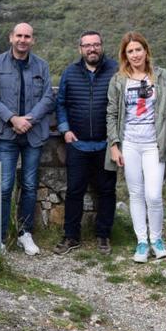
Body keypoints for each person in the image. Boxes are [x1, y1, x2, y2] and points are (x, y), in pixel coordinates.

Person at [0, 23, 55, 255]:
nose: (23, 40)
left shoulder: (41, 66)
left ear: (32, 40)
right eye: (19, 36)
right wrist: (13, 119)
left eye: (27, 36)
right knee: (5, 186)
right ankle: (0, 237)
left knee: (29, 185)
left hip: (33, 134)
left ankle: (25, 233)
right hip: (6, 134)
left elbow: (48, 97)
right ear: (11, 37)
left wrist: (29, 119)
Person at [105, 32, 166, 263]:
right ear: (125, 55)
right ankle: (142, 242)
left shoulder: (162, 76)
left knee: (153, 195)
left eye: (138, 49)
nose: (135, 55)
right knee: (136, 193)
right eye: (130, 51)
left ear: (146, 50)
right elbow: (112, 113)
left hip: (154, 143)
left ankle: (157, 239)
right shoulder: (118, 80)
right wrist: (114, 144)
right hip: (130, 143)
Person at [54, 31, 119, 256]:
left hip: (105, 144)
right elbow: (60, 103)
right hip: (78, 144)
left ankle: (104, 235)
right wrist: (65, 129)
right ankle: (71, 236)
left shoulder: (116, 70)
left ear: (102, 46)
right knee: (74, 191)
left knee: (107, 191)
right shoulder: (70, 73)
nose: (92, 49)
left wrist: (116, 139)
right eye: (87, 45)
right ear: (80, 49)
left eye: (96, 45)